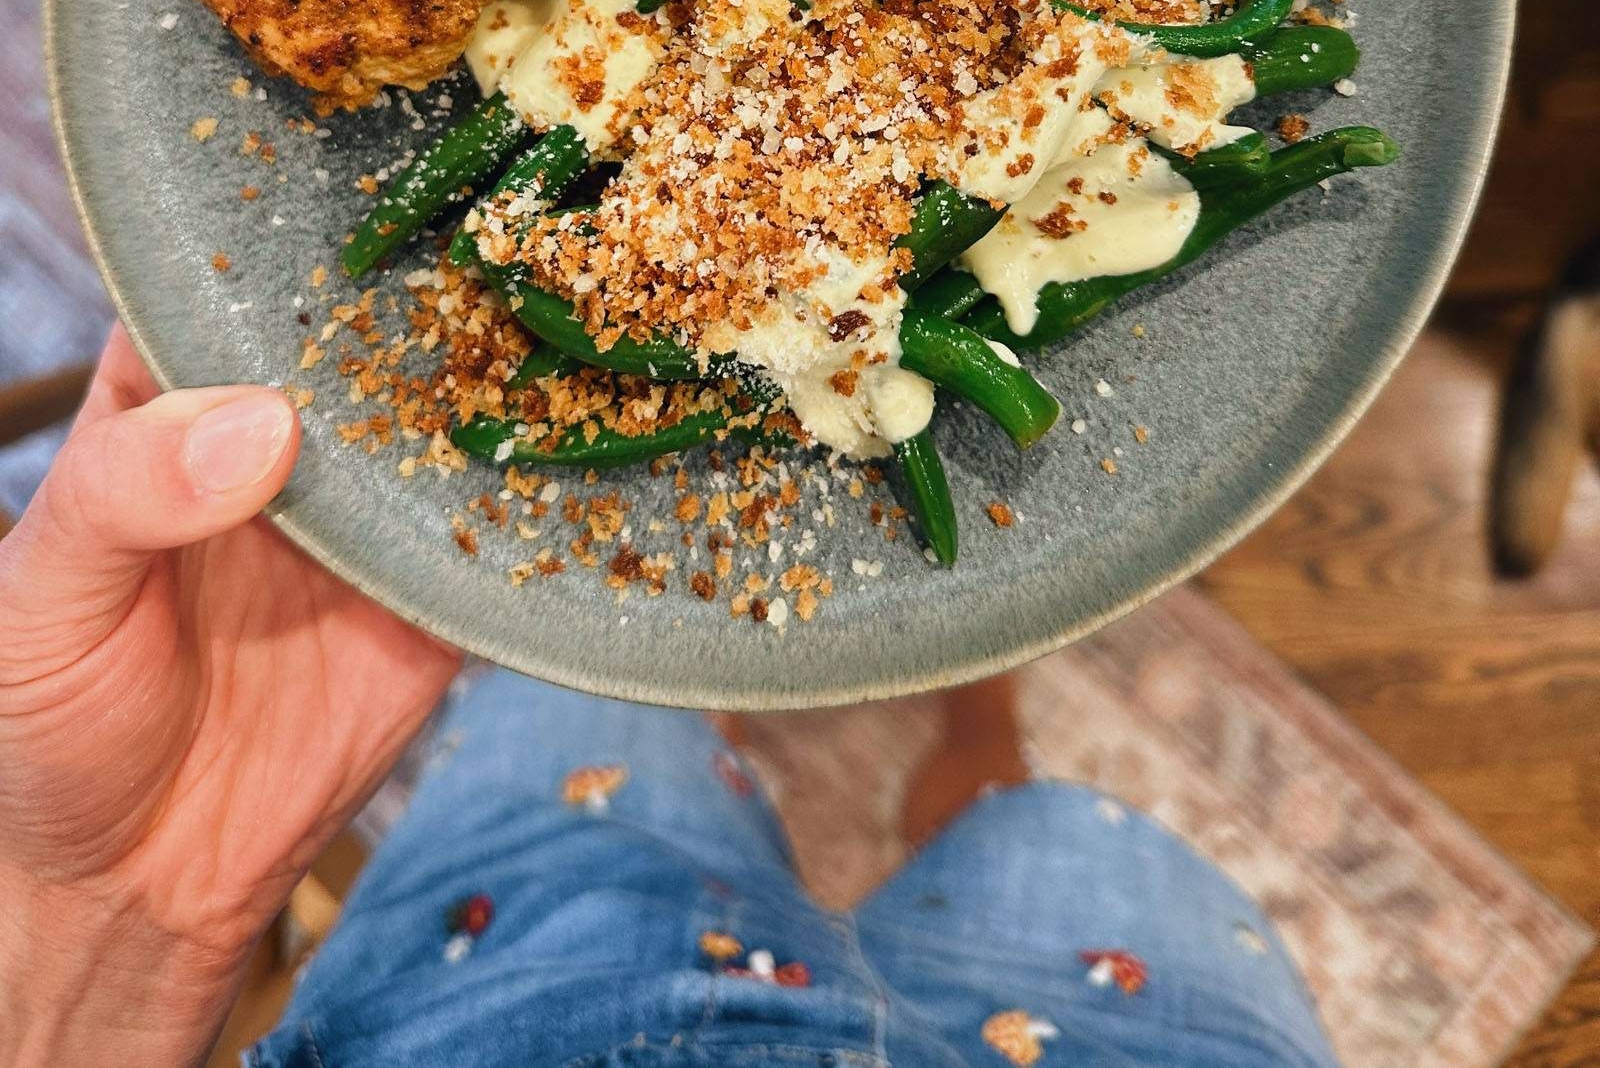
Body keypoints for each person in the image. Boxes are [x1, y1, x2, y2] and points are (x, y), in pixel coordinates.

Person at [0, 330, 1338, 1068]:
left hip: (496, 988)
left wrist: (121, 917)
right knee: (1045, 834)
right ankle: (970, 719)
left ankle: (715, 679)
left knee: (593, 701)